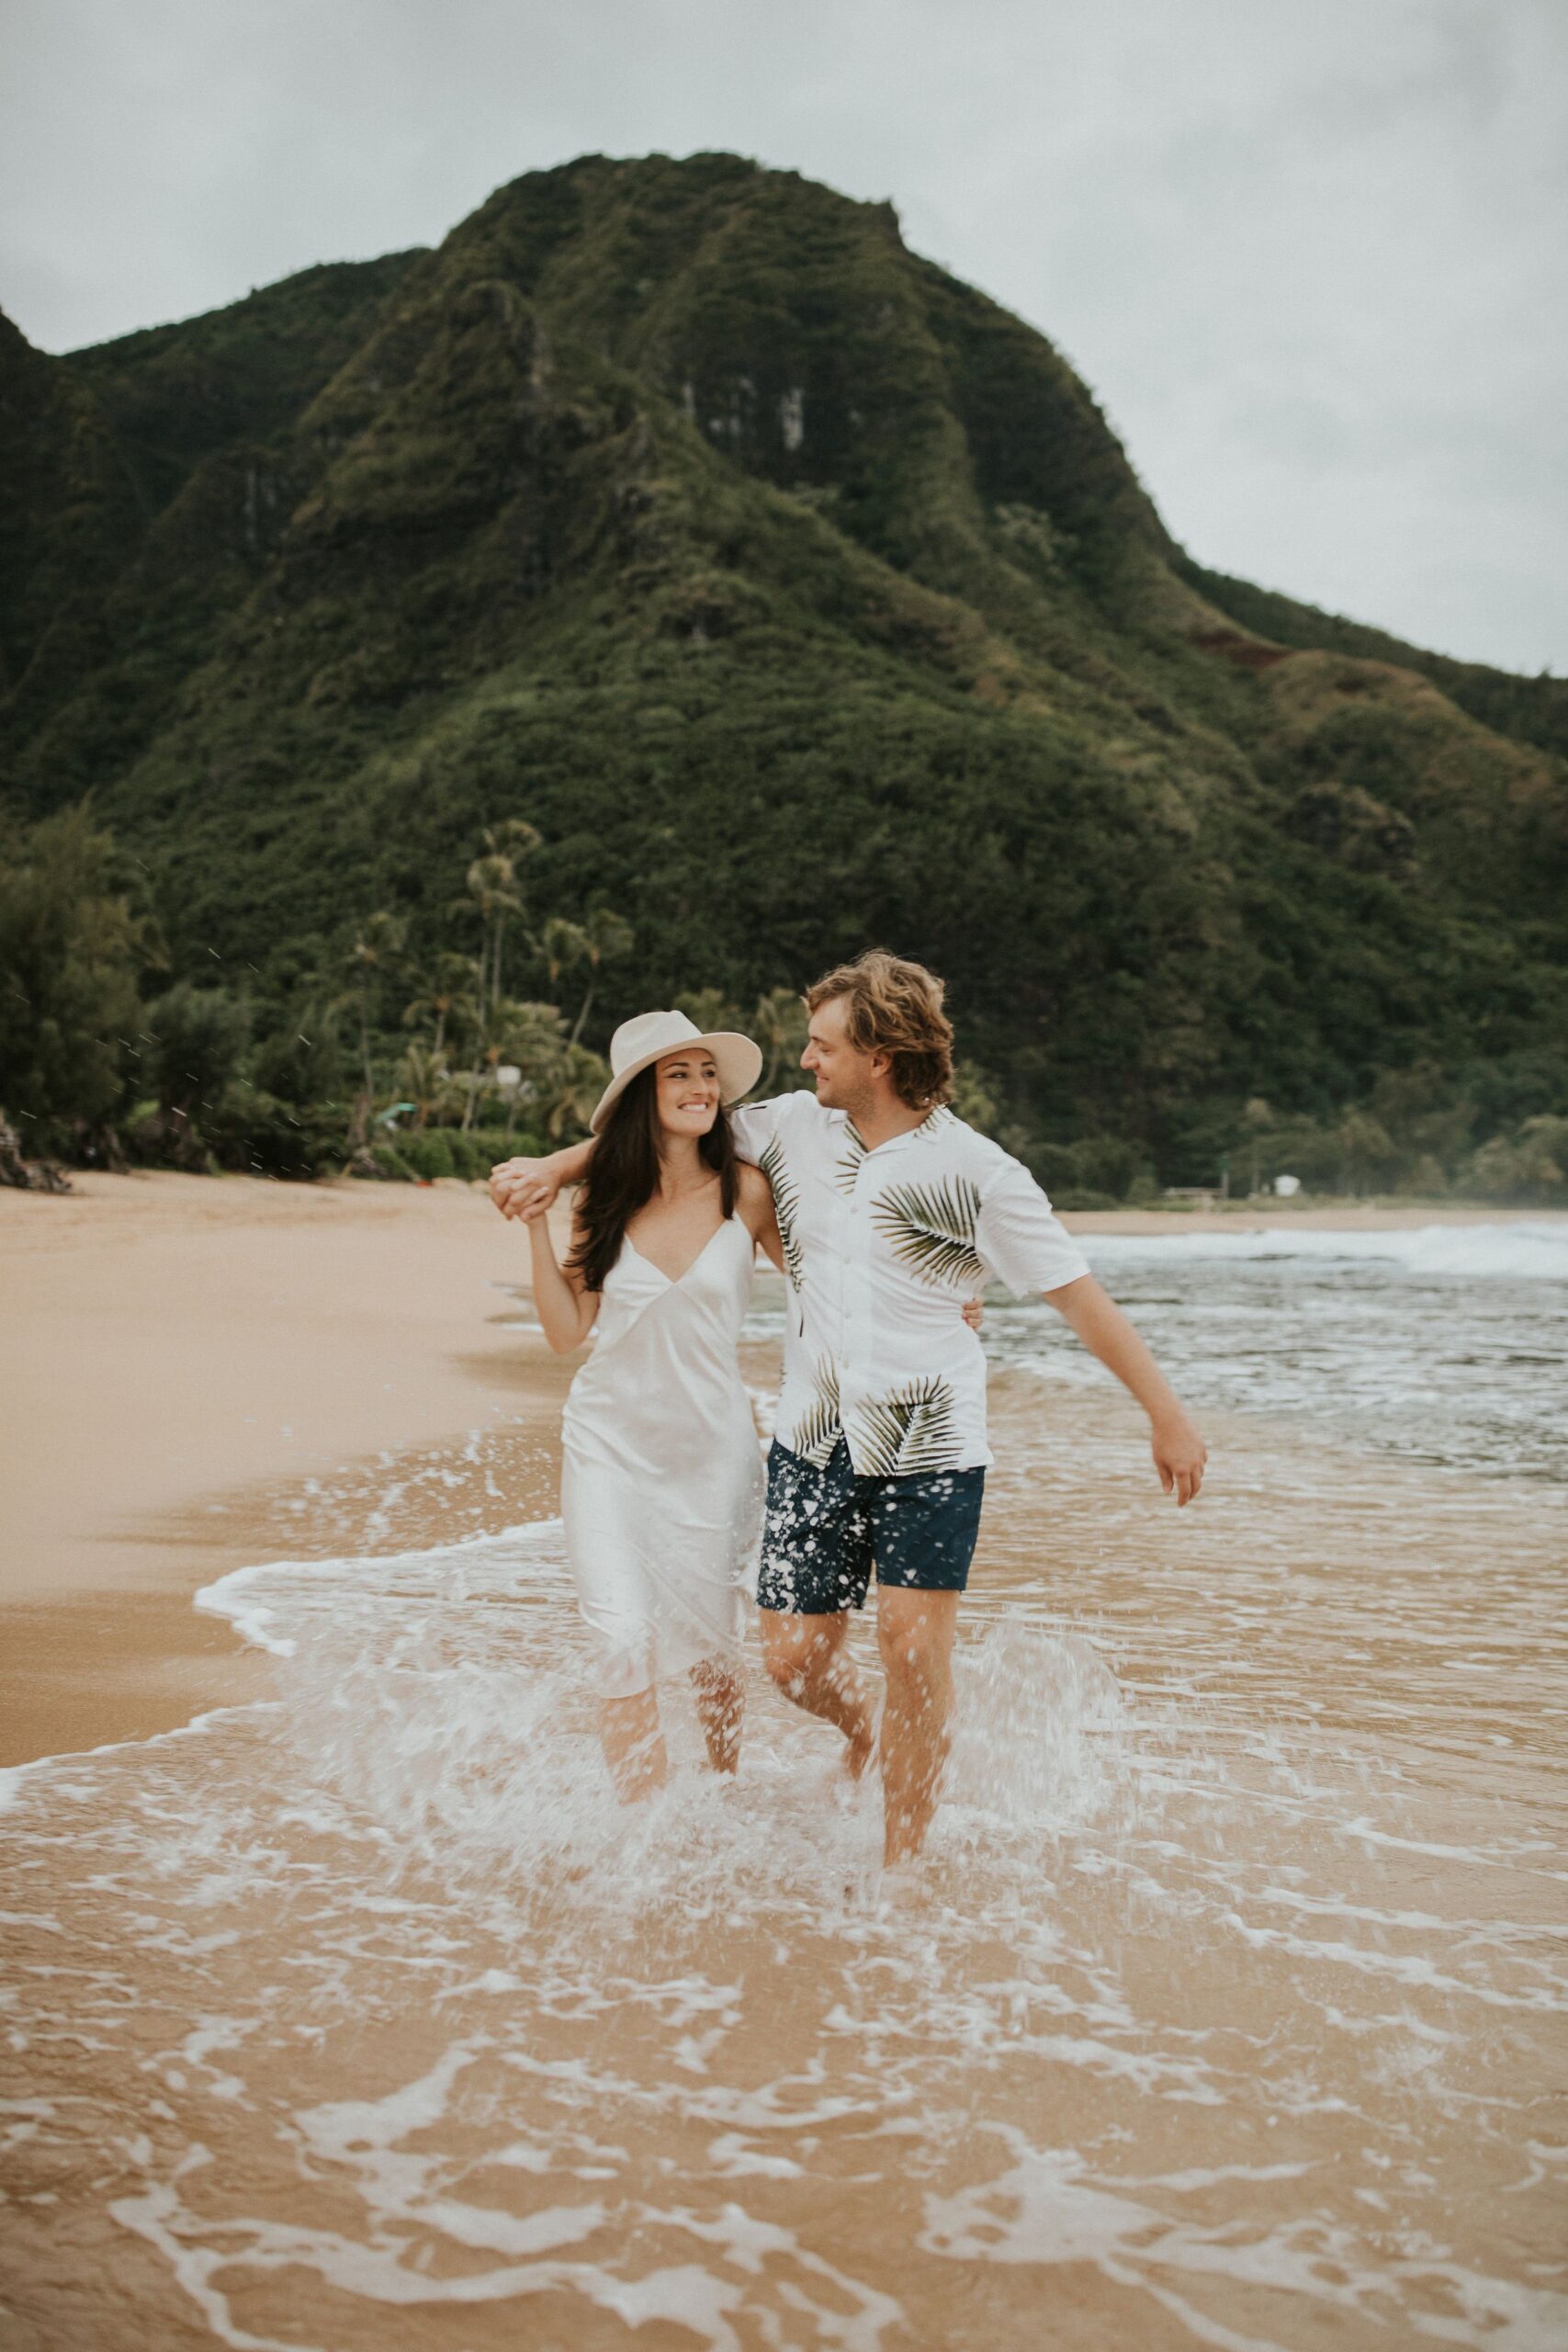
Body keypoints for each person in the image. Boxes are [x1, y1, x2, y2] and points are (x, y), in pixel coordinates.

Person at [496, 955, 1207, 1864]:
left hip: (930, 1443)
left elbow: (1078, 1296)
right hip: (813, 1440)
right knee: (790, 1659)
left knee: (913, 1650)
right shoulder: (793, 1128)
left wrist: (1165, 1414)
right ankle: (863, 1737)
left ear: (879, 1056)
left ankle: (899, 1871)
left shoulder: (979, 1173)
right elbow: (664, 1129)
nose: (805, 1060)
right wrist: (555, 1168)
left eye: (822, 1045)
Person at [508, 1004, 987, 1802]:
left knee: (710, 1646)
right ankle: (641, 1830)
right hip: (607, 1446)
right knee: (621, 1640)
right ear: (642, 1094)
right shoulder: (605, 1200)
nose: (700, 1087)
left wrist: (941, 1299)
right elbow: (566, 1333)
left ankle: (722, 1795)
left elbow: (837, 1279)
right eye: (678, 1074)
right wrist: (534, 1228)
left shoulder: (751, 1193)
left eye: (707, 1074)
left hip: (711, 1451)